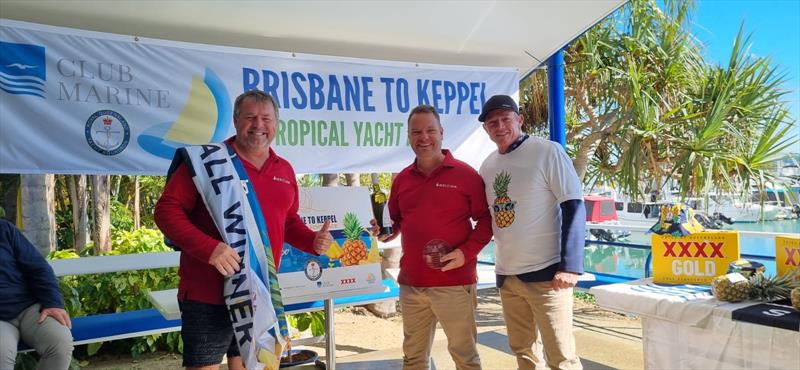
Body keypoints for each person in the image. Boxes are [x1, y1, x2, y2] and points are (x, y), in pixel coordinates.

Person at [155, 90, 333, 370]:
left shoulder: (284, 169)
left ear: (276, 123)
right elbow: (166, 211)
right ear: (236, 121)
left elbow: (287, 221)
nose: (258, 125)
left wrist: (313, 241)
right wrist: (209, 248)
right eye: (250, 117)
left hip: (257, 294)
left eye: (266, 118)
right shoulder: (209, 163)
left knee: (255, 366)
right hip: (206, 293)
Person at [380, 104, 492, 370]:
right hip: (412, 284)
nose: (423, 137)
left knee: (465, 358)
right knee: (413, 359)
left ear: (441, 132)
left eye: (430, 130)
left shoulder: (466, 175)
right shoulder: (402, 180)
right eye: (416, 132)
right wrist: (383, 232)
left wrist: (466, 253)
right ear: (409, 137)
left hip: (454, 283)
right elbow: (394, 223)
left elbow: (487, 220)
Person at [477, 95, 585, 370]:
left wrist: (571, 266)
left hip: (549, 276)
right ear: (485, 129)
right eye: (492, 122)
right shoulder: (488, 166)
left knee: (562, 356)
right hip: (508, 276)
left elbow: (573, 205)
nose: (500, 126)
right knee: (524, 352)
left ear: (520, 120)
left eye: (505, 119)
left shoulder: (547, 151)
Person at [0, 219, 74, 369]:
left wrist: (53, 303)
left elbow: (38, 268)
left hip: (30, 309)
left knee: (60, 344)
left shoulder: (4, 229)